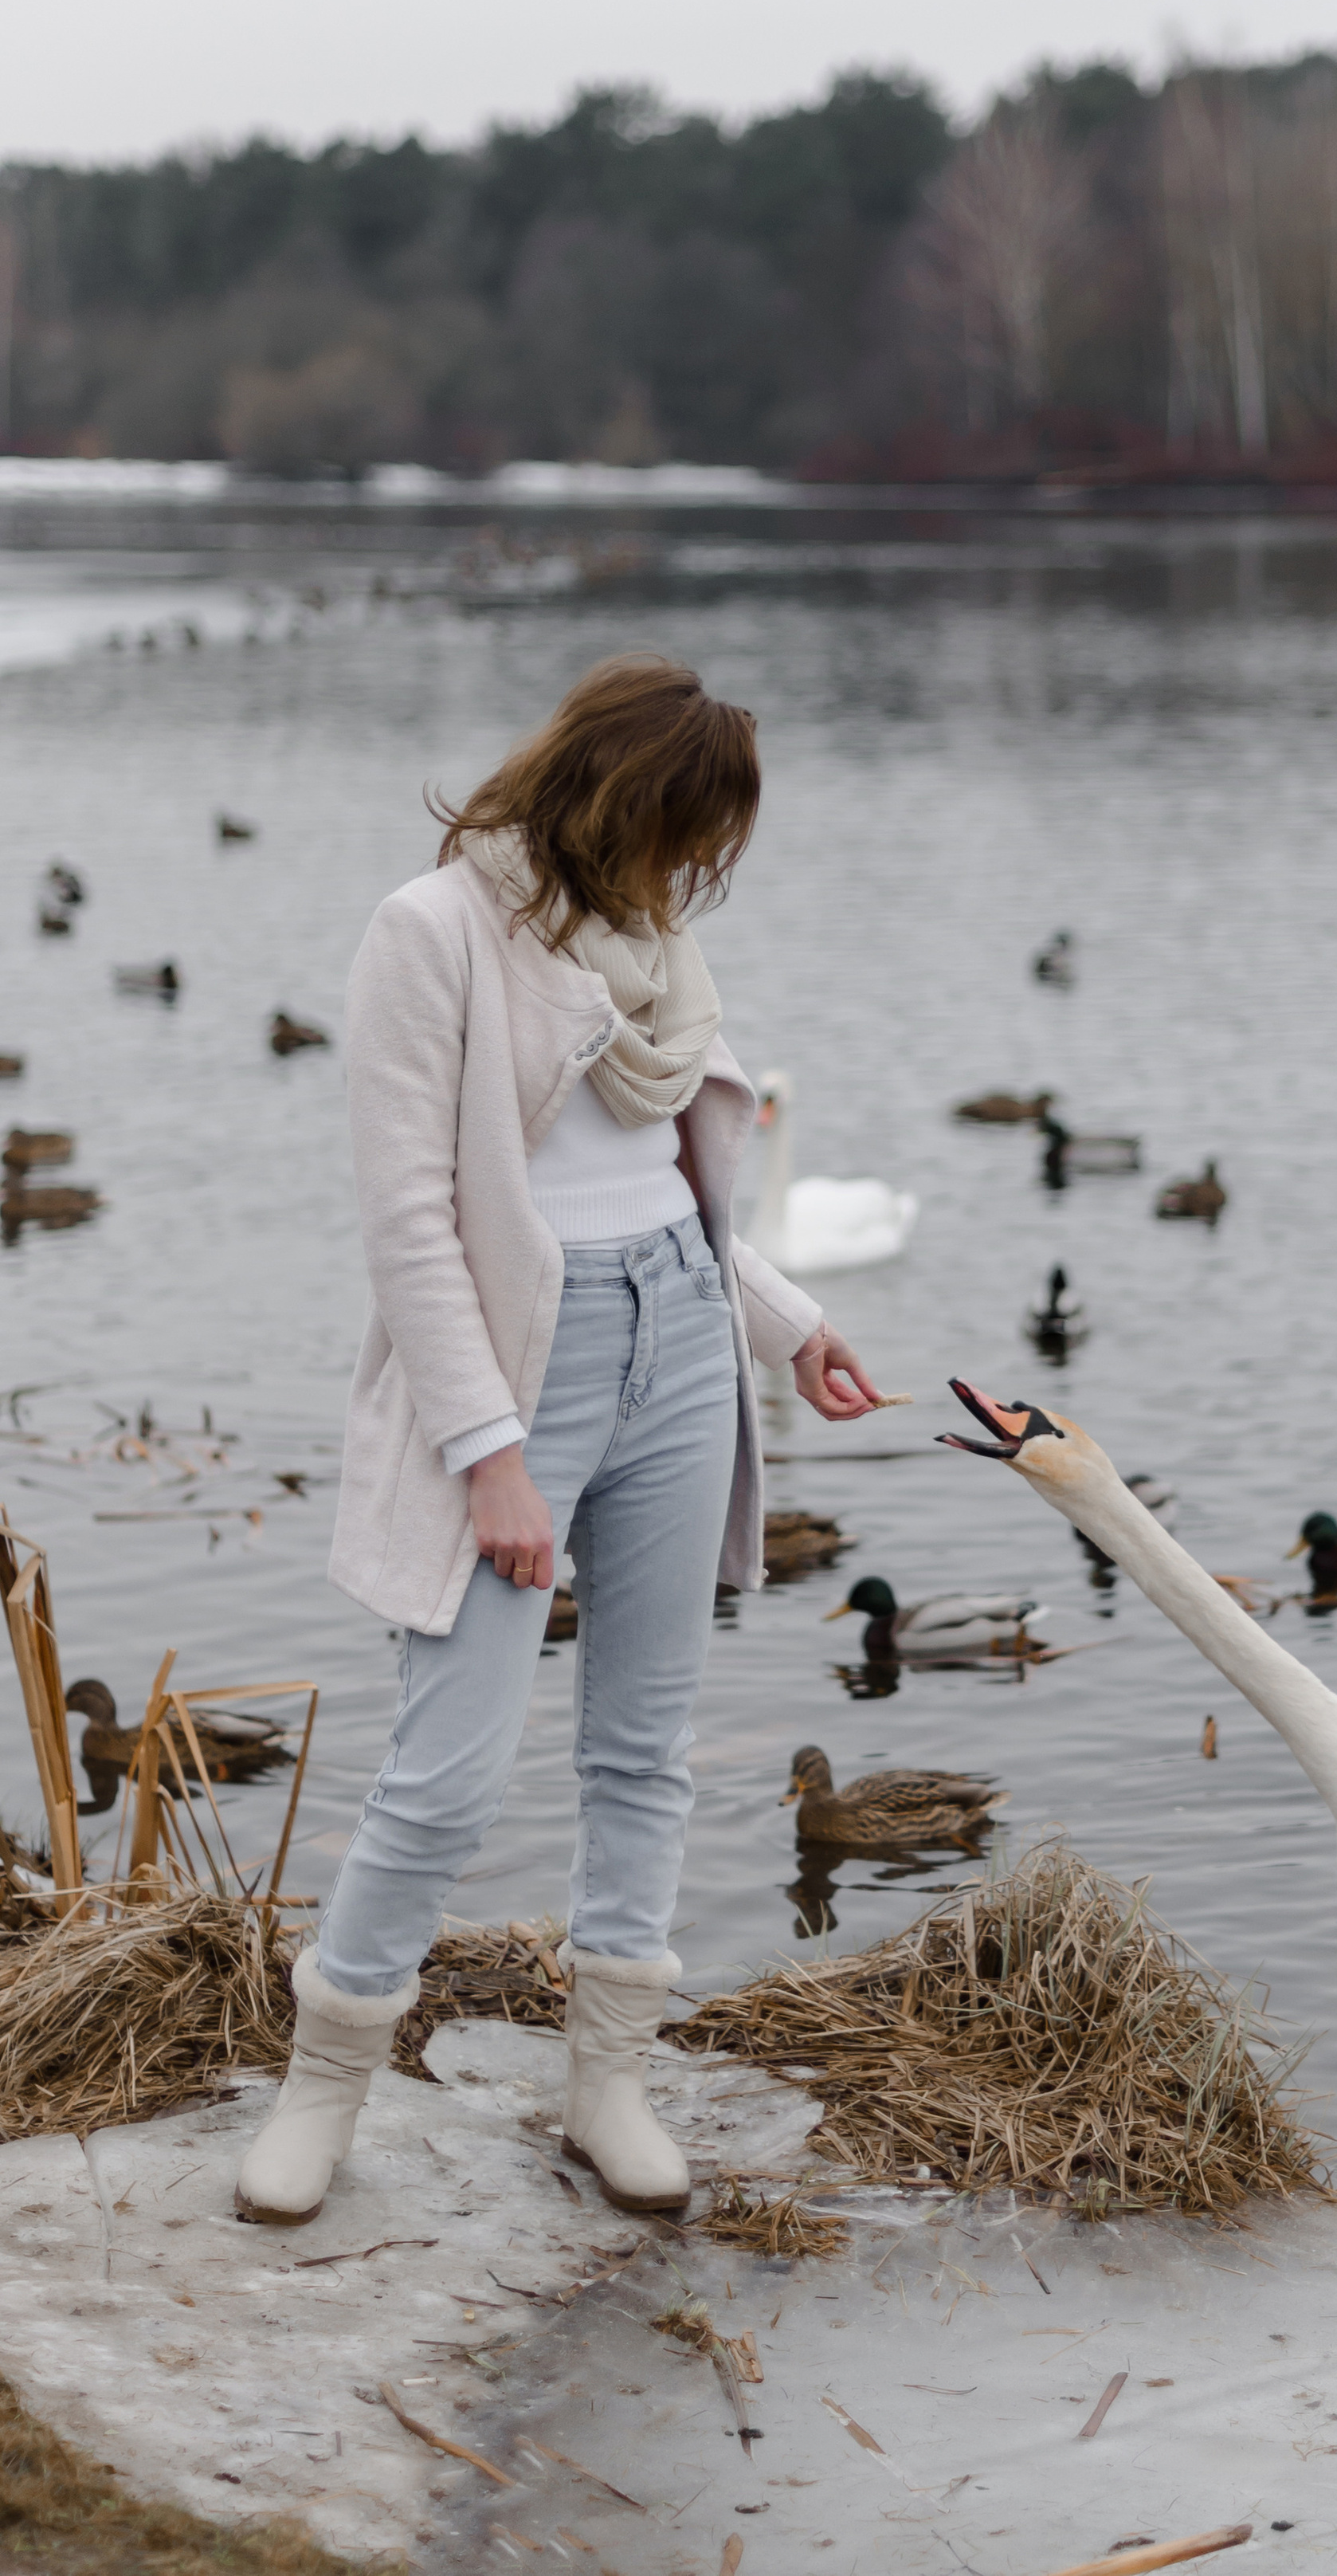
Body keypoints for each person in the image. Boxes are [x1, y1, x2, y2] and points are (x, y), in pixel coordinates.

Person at [236, 656, 878, 2228]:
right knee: (446, 1775)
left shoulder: (652, 944)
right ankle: (325, 2084)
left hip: (682, 1329)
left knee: (644, 1750)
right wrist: (489, 1452)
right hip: (517, 1369)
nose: (695, 869)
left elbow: (667, 1186)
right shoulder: (432, 931)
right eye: (682, 831)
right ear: (611, 796)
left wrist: (787, 1321)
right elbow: (410, 1220)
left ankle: (608, 2085)